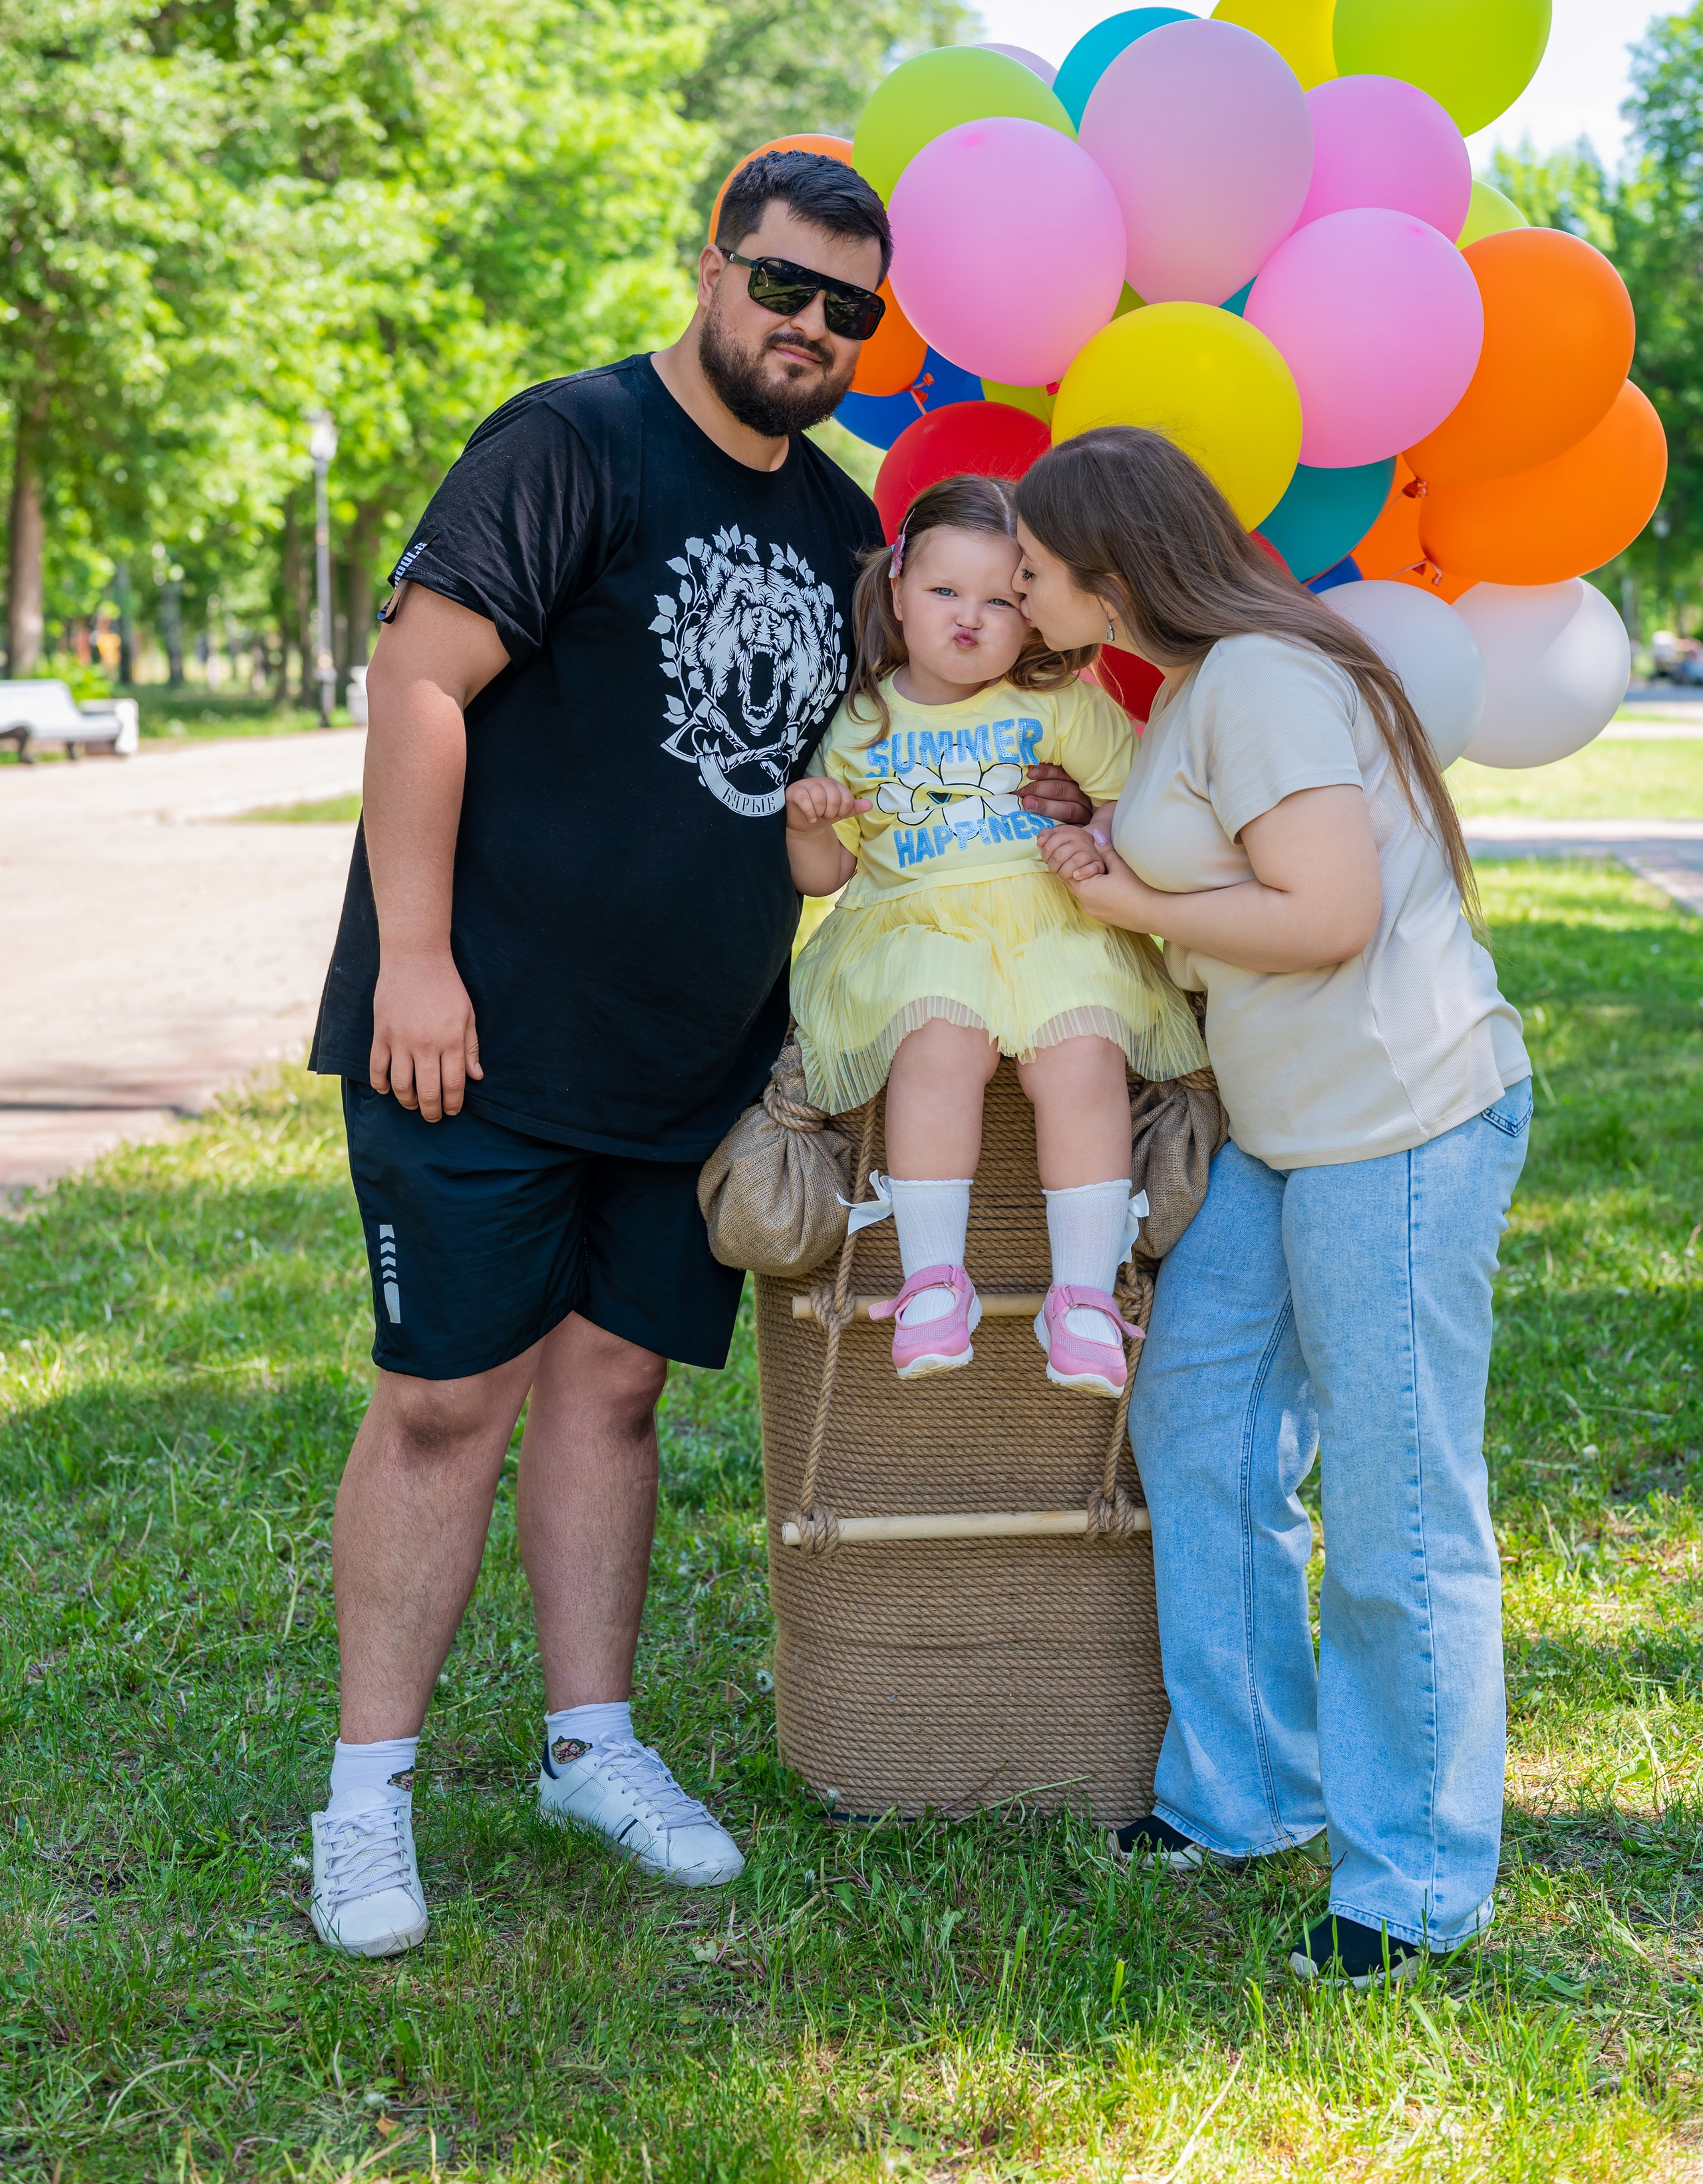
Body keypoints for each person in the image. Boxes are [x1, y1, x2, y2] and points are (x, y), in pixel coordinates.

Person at [299, 149, 1090, 1957]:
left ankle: (594, 1743)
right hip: (477, 1035)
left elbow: (907, 738)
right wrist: (411, 958)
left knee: (617, 1391)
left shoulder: (836, 532)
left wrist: (1050, 797)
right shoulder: (565, 443)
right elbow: (419, 683)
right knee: (443, 1404)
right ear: (717, 261)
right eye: (782, 281)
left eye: (847, 308)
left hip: (699, 1056)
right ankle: (365, 1797)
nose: (808, 324)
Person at [1012, 426, 1531, 1990]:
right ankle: (1246, 1795)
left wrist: (1128, 899)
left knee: (1397, 1508)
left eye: (1031, 563)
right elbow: (1239, 887)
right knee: (1198, 1421)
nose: (1017, 582)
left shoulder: (1257, 677)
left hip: (1397, 1124)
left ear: (1105, 568)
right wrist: (1119, 850)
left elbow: (1323, 911)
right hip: (1288, 1130)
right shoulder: (1186, 689)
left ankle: (1415, 1884)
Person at [784, 475, 1204, 1394]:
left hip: (1048, 925)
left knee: (1082, 1051)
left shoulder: (1058, 704)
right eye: (944, 593)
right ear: (897, 590)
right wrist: (810, 822)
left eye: (1003, 600)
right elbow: (826, 874)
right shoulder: (862, 720)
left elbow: (1141, 803)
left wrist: (1092, 824)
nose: (970, 620)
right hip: (918, 927)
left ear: (1036, 614)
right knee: (938, 1040)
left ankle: (1085, 1300)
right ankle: (935, 1278)